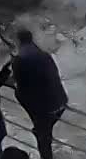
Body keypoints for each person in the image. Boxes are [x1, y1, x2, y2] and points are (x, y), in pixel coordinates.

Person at [11, 28, 70, 159]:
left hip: (44, 108)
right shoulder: (44, 54)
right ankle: (40, 129)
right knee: (43, 130)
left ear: (18, 41)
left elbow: (19, 85)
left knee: (42, 136)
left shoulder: (19, 59)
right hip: (60, 102)